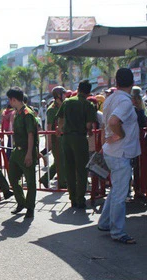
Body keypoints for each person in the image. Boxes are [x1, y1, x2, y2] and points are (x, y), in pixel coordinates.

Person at [97, 68, 141, 244]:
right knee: (119, 194)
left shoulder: (110, 99)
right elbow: (114, 122)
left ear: (116, 82)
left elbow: (108, 123)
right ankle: (118, 231)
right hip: (120, 151)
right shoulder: (124, 101)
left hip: (113, 151)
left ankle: (106, 223)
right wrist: (120, 134)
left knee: (116, 190)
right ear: (132, 83)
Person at [56, 79, 97, 209]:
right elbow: (88, 125)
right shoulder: (88, 105)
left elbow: (60, 120)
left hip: (66, 138)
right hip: (80, 138)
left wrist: (60, 130)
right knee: (81, 170)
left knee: (69, 168)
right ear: (89, 92)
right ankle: (80, 199)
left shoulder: (67, 102)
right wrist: (89, 131)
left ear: (78, 89)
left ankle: (72, 198)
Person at [6, 87, 37, 219]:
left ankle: (30, 207)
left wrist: (29, 153)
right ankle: (21, 202)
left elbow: (31, 135)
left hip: (26, 150)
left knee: (30, 181)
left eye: (10, 100)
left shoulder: (27, 113)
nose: (9, 102)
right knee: (12, 177)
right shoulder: (17, 113)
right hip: (16, 151)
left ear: (14, 99)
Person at [40, 86, 67, 189]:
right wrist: (49, 142)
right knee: (60, 162)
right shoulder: (52, 109)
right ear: (58, 96)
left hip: (63, 138)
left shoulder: (64, 106)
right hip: (56, 139)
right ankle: (62, 183)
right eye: (63, 94)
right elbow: (49, 126)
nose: (65, 96)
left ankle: (44, 178)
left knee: (59, 161)